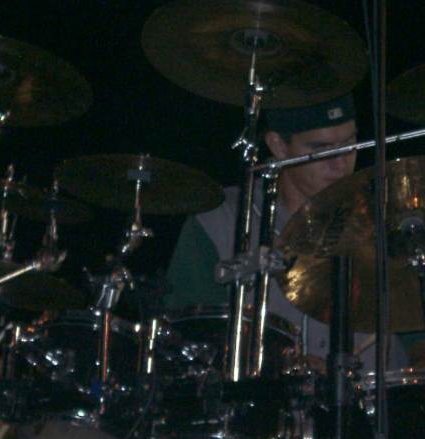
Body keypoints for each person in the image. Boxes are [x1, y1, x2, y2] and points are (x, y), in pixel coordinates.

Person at [162, 94, 410, 372]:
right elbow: (184, 337)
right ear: (278, 145)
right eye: (322, 149)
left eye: (349, 145)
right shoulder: (220, 219)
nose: (341, 163)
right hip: (262, 394)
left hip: (376, 393)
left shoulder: (387, 218)